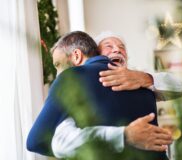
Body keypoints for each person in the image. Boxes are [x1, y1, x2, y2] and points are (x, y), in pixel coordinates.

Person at [27, 31, 172, 160]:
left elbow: (35, 141)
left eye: (58, 65)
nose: (58, 73)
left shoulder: (71, 79)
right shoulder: (146, 85)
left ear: (76, 56)